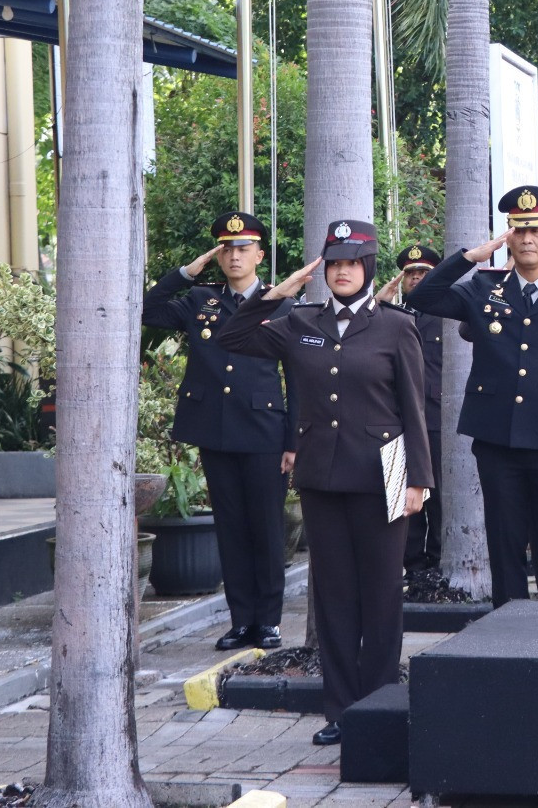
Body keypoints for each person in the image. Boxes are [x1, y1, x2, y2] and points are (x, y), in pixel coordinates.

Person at [219, 219, 432, 747]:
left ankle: (380, 705)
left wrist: (418, 479)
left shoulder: (395, 326)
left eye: (352, 263)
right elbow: (233, 336)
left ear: (367, 268)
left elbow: (413, 407)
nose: (342, 271)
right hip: (321, 476)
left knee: (381, 594)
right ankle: (342, 709)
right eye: (334, 263)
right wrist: (279, 292)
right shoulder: (300, 321)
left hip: (384, 472)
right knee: (334, 596)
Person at [407, 185, 538, 606]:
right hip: (497, 438)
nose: (527, 239)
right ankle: (508, 638)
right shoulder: (484, 288)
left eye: (536, 230)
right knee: (505, 543)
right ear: (508, 237)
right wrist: (469, 257)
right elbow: (421, 296)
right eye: (519, 230)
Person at [142, 212, 297, 651]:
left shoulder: (279, 303)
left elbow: (297, 378)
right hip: (215, 430)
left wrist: (293, 442)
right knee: (230, 529)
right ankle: (241, 620)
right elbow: (148, 310)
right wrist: (187, 272)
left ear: (259, 255)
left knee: (266, 529)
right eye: (227, 248)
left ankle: (268, 621)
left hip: (265, 431)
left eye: (243, 248)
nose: (234, 255)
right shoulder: (200, 300)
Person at [382, 244, 446, 572]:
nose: (417, 278)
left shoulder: (448, 314)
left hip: (435, 418)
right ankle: (412, 566)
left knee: (436, 498)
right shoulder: (393, 316)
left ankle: (436, 564)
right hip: (395, 420)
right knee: (402, 497)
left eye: (424, 273)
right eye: (411, 274)